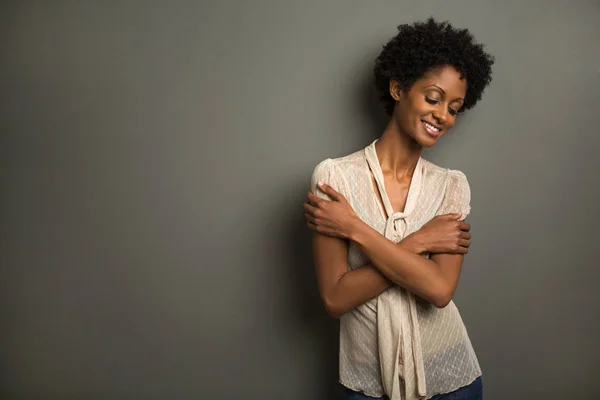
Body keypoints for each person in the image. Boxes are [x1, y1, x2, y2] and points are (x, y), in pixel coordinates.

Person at [303, 18, 494, 400]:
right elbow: (336, 298)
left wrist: (355, 229)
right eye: (433, 97)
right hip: (367, 385)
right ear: (398, 88)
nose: (443, 115)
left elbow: (438, 290)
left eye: (455, 108)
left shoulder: (451, 187)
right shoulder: (334, 178)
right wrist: (420, 241)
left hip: (451, 380)